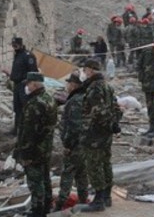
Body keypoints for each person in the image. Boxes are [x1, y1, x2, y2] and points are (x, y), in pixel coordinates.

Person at [15, 72, 57, 216]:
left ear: (34, 84)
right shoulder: (49, 99)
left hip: (34, 150)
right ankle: (46, 206)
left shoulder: (35, 104)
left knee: (35, 181)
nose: (26, 86)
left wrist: (24, 152)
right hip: (45, 147)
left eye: (28, 84)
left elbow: (29, 132)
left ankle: (37, 210)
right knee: (45, 178)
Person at [79, 59, 118, 212]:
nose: (84, 73)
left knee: (94, 165)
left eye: (85, 70)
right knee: (105, 163)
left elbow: (99, 111)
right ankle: (106, 196)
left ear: (90, 70)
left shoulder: (95, 87)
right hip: (106, 132)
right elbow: (115, 107)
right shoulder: (107, 86)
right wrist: (113, 124)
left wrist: (106, 124)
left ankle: (99, 199)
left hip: (95, 132)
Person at [55, 73, 88, 211]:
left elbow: (73, 127)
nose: (67, 86)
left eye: (69, 83)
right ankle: (83, 202)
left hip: (75, 145)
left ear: (74, 85)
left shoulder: (74, 101)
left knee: (68, 174)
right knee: (82, 174)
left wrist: (68, 145)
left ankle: (60, 205)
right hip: (86, 144)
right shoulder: (86, 98)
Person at [7, 37, 38, 135]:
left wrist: (27, 84)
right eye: (13, 45)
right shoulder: (17, 55)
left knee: (25, 108)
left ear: (20, 44)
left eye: (15, 45)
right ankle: (17, 129)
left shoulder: (28, 56)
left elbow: (33, 72)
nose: (14, 47)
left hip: (24, 86)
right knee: (17, 108)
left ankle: (25, 131)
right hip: (17, 85)